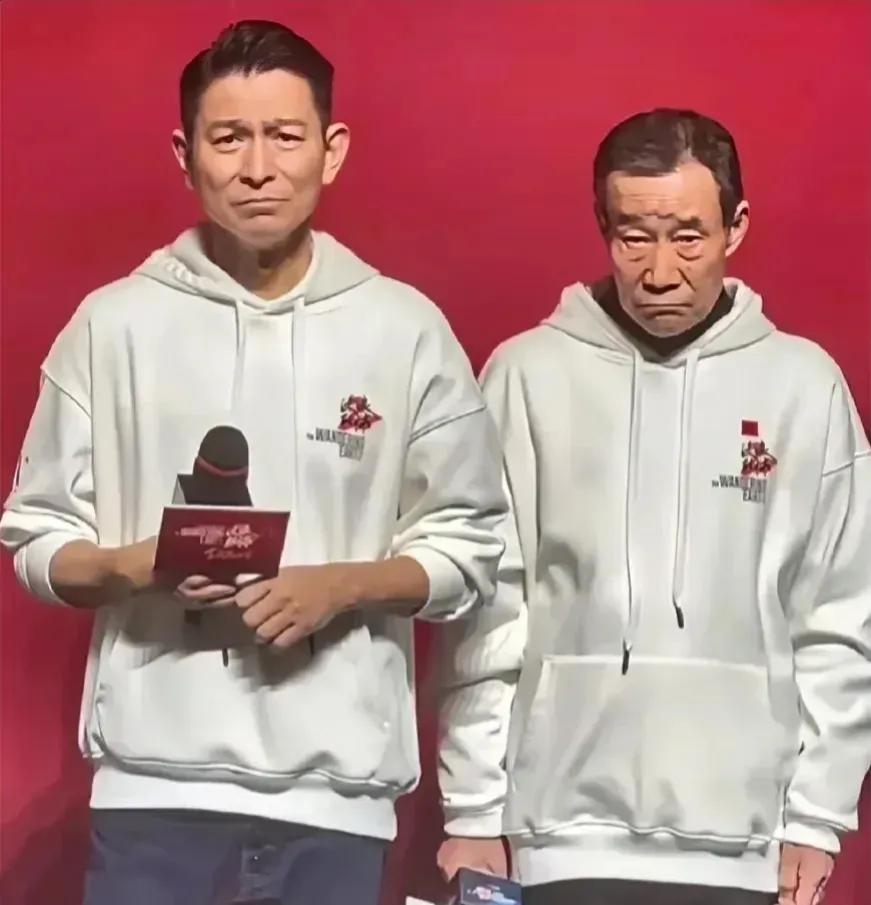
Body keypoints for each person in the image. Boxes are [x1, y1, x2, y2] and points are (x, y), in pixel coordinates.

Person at [0, 20, 506, 905]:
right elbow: (36, 539)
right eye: (229, 137)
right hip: (150, 799)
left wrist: (339, 585)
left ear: (331, 149)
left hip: (339, 803)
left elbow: (469, 549)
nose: (258, 167)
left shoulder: (405, 330)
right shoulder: (112, 325)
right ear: (185, 155)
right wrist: (138, 563)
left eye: (285, 135)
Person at [436, 109, 871, 905]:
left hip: (745, 846)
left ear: (736, 226)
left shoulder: (804, 387)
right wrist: (472, 807)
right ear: (602, 228)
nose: (659, 270)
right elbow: (491, 610)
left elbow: (839, 619)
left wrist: (816, 816)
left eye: (687, 237)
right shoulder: (525, 375)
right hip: (554, 837)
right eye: (633, 236)